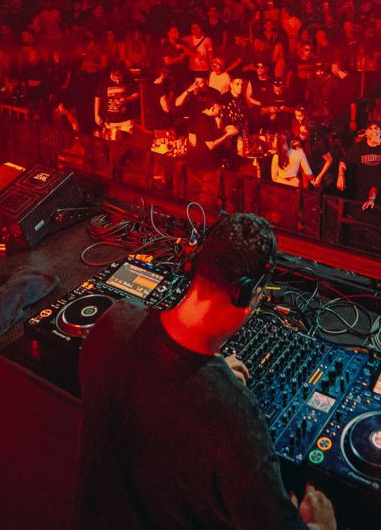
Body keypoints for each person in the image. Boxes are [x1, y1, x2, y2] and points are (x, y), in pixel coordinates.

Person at [75, 213, 336, 530]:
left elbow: (152, 392)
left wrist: (207, 376)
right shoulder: (234, 417)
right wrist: (322, 526)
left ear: (195, 264)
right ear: (249, 295)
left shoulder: (113, 324)